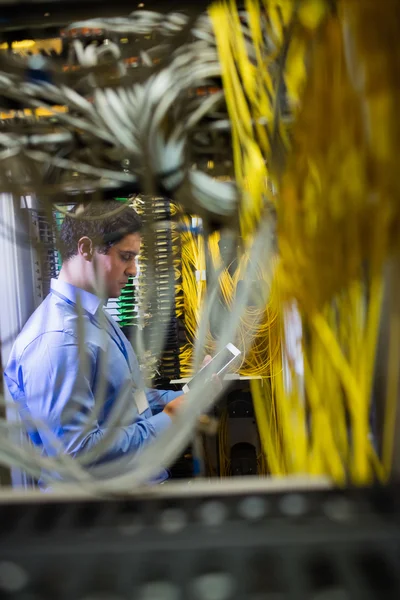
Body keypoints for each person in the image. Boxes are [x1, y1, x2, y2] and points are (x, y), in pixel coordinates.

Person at [4, 201, 201, 488]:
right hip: (100, 517)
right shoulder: (59, 339)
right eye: (125, 257)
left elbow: (127, 400)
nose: (133, 271)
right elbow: (78, 454)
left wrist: (183, 397)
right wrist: (170, 418)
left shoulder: (94, 316)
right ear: (85, 249)